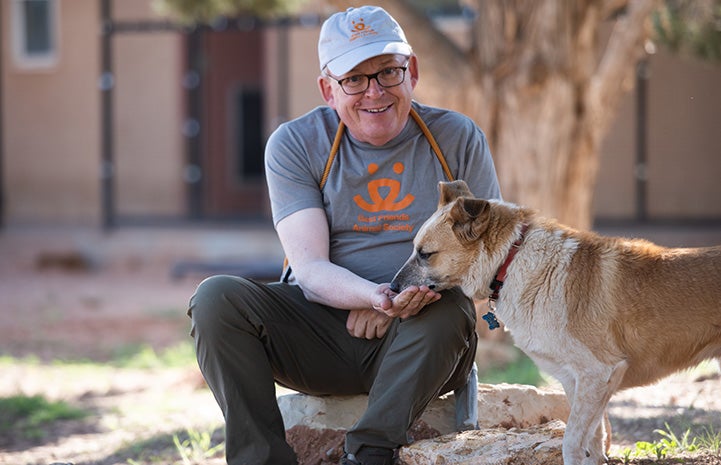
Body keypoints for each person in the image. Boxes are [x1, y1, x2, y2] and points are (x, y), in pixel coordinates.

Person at [188, 5, 501, 465]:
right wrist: (374, 297)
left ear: (411, 71)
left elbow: (488, 265)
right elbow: (310, 269)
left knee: (450, 309)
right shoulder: (296, 144)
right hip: (320, 337)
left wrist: (396, 310)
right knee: (216, 299)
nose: (374, 91)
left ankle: (370, 453)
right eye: (354, 79)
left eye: (387, 72)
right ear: (328, 90)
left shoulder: (457, 138)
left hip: (422, 340)